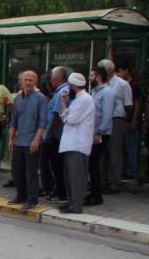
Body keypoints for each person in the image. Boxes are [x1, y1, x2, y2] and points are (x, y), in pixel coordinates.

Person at [8, 70, 48, 211]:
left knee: (31, 173)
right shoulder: (17, 98)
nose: (28, 82)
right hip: (19, 141)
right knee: (17, 171)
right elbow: (14, 121)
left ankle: (32, 200)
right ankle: (21, 196)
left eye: (31, 80)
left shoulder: (40, 98)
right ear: (21, 81)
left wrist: (36, 140)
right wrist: (10, 139)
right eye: (26, 79)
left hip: (32, 141)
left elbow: (43, 123)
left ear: (35, 82)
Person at [57, 73, 95, 214]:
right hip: (71, 143)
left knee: (77, 177)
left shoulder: (84, 99)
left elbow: (70, 119)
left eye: (69, 86)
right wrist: (63, 104)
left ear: (73, 86)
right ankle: (72, 202)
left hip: (78, 144)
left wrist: (66, 114)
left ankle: (77, 205)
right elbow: (65, 117)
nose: (67, 89)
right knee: (70, 177)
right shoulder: (77, 99)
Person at [98, 59, 133, 193]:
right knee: (102, 153)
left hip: (116, 119)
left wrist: (125, 121)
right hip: (103, 120)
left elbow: (128, 105)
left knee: (115, 152)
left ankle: (115, 183)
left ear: (109, 70)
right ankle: (102, 181)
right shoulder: (101, 84)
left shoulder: (122, 84)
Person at [85, 65, 114, 206]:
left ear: (98, 77)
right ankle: (93, 192)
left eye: (91, 76)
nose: (89, 79)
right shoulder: (95, 92)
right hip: (92, 132)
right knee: (92, 164)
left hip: (100, 133)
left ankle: (97, 196)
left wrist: (99, 133)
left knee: (93, 163)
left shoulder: (107, 92)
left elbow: (107, 115)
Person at [40, 66, 70, 202]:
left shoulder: (62, 92)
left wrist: (49, 135)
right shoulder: (60, 91)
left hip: (55, 136)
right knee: (54, 164)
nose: (50, 80)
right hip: (54, 135)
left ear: (57, 78)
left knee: (55, 165)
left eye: (51, 77)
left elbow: (57, 117)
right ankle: (57, 190)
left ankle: (60, 192)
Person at [116, 62, 142, 181]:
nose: (118, 74)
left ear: (126, 70)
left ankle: (131, 172)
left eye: (120, 71)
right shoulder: (121, 84)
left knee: (131, 147)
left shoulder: (133, 85)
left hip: (130, 120)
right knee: (123, 147)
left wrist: (134, 120)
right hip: (124, 120)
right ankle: (123, 171)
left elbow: (136, 104)